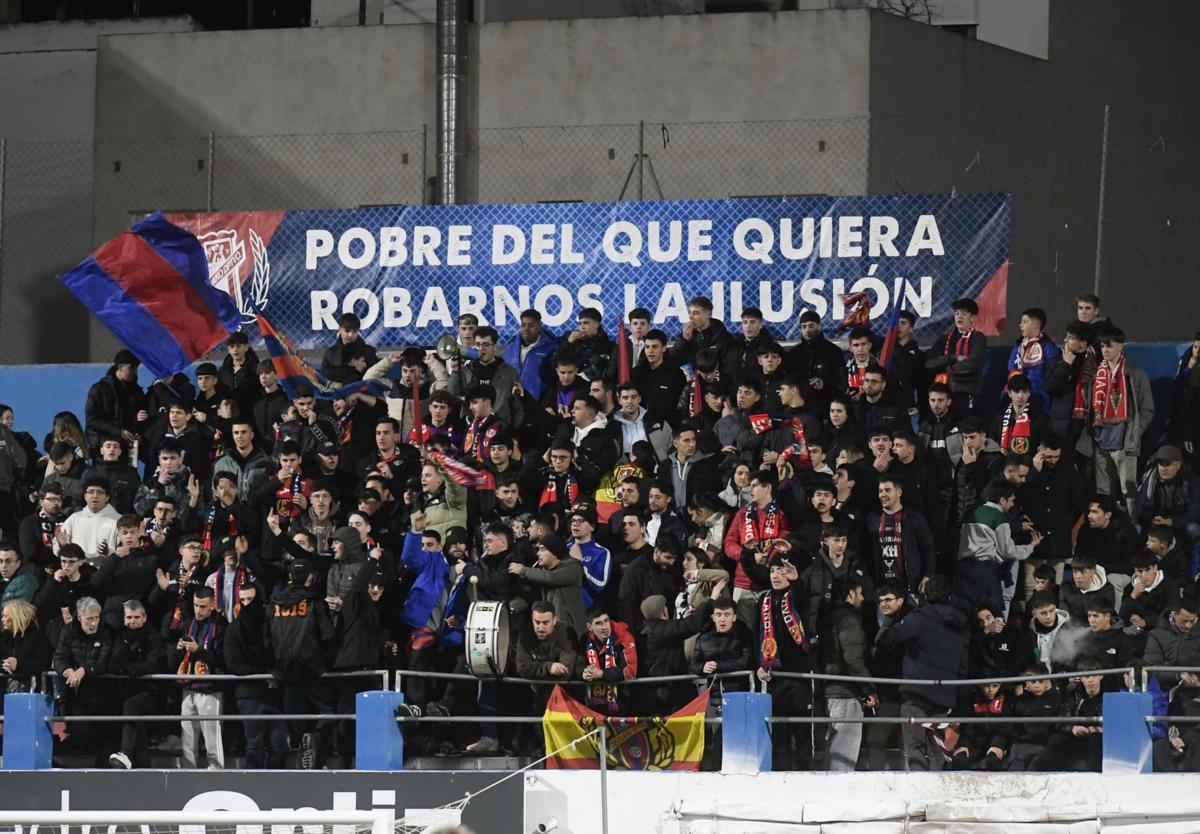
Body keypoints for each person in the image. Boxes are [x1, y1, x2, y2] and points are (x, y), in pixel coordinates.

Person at [882, 575, 968, 771]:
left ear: (926, 594)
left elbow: (890, 639)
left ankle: (919, 792)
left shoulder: (920, 617)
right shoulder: (960, 623)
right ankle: (938, 793)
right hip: (944, 697)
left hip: (916, 694)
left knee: (915, 746)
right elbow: (963, 664)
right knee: (938, 749)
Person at [266, 559, 337, 769]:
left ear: (290, 577)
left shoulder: (274, 603)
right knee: (328, 711)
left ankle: (304, 742)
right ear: (310, 577)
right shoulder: (315, 602)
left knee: (295, 715)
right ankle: (313, 743)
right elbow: (328, 635)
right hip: (313, 668)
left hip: (284, 669)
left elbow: (266, 639)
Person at [1080, 327, 1154, 512]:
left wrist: (1136, 431)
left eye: (1109, 346)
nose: (1105, 350)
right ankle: (1109, 530)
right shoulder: (1096, 374)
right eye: (1103, 346)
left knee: (1128, 489)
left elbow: (1148, 409)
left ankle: (1132, 528)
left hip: (1124, 443)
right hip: (1100, 442)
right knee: (1104, 492)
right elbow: (1090, 407)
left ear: (1120, 346)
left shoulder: (1135, 374)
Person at [755, 555, 815, 771]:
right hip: (775, 678)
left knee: (803, 736)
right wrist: (759, 664)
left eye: (781, 571)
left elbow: (805, 600)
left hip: (799, 676)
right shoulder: (764, 600)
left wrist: (796, 580)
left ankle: (807, 782)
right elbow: (757, 634)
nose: (776, 576)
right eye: (772, 571)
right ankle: (781, 784)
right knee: (778, 738)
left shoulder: (797, 595)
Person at [224, 583, 288, 769]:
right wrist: (264, 674)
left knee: (279, 744)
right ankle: (255, 785)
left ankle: (277, 782)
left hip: (274, 694)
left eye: (250, 600)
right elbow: (233, 665)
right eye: (242, 600)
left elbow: (282, 652)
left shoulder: (272, 625)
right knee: (254, 744)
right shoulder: (234, 630)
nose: (246, 604)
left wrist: (276, 675)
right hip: (249, 694)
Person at [957, 479, 1040, 615]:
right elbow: (1007, 551)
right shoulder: (999, 518)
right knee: (994, 615)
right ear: (1002, 500)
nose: (1013, 504)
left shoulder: (971, 514)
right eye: (1011, 500)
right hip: (987, 573)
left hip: (965, 571)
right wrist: (1030, 547)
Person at [820, 578, 875, 772]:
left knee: (834, 749)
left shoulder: (828, 617)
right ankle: (836, 797)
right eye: (860, 593)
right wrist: (869, 689)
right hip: (846, 694)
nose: (862, 598)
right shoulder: (848, 620)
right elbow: (854, 660)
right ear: (850, 593)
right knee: (843, 755)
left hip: (831, 690)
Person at [52, 596, 114, 765]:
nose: (93, 623)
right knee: (79, 728)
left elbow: (104, 662)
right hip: (77, 693)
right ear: (79, 617)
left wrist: (84, 670)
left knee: (104, 736)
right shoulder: (68, 632)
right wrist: (68, 671)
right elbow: (59, 657)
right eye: (89, 619)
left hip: (103, 693)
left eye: (96, 618)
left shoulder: (106, 632)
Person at [169, 585, 225, 769]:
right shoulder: (188, 624)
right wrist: (179, 650)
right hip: (188, 686)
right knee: (187, 740)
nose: (198, 610)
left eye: (202, 606)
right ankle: (188, 775)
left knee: (212, 740)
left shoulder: (222, 626)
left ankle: (217, 775)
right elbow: (179, 658)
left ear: (212, 605)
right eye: (195, 605)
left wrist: (199, 650)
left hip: (211, 688)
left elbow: (223, 660)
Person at [106, 599, 166, 769]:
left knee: (131, 707)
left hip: (152, 692)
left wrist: (128, 669)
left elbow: (153, 665)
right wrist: (125, 645)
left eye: (136, 617)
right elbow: (112, 664)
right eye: (129, 617)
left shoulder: (153, 636)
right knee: (137, 727)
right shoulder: (122, 636)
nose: (132, 621)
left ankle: (125, 753)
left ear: (144, 617)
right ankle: (142, 767)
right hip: (127, 690)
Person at [1032, 656, 1106, 772]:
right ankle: (1053, 777)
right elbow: (1061, 721)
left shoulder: (1108, 696)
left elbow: (1114, 725)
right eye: (1086, 676)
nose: (1090, 680)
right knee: (1055, 740)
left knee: (1094, 739)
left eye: (1094, 675)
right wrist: (1073, 728)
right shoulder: (1073, 694)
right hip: (1076, 738)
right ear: (1081, 678)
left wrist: (1096, 729)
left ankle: (1096, 778)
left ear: (1101, 676)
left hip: (1098, 738)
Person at [866, 475, 935, 599]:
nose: (882, 494)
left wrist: (927, 576)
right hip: (882, 589)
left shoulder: (914, 519)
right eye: (880, 491)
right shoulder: (873, 520)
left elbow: (929, 550)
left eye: (887, 490)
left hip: (910, 588)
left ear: (899, 492)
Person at [510, 532, 586, 640]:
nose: (538, 554)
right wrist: (510, 609)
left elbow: (551, 578)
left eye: (542, 549)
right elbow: (529, 594)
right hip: (552, 632)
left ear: (555, 552)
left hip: (572, 632)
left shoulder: (573, 568)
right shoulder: (542, 572)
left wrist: (524, 570)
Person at [925, 298, 987, 414]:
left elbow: (972, 364)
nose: (959, 317)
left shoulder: (977, 338)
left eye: (964, 313)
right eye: (957, 313)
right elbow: (929, 363)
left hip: (967, 393)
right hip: (944, 395)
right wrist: (952, 358)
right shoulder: (945, 339)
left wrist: (948, 368)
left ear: (972, 318)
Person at [84, 349, 149, 459]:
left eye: (136, 368)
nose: (135, 372)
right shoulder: (99, 389)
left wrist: (139, 430)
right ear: (120, 368)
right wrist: (119, 431)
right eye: (131, 368)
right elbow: (92, 418)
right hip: (104, 448)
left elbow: (139, 417)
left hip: (128, 447)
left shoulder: (136, 391)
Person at [578, 608, 637, 716]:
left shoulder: (624, 636)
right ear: (590, 627)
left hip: (623, 702)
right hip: (594, 704)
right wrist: (584, 672)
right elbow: (579, 665)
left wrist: (601, 674)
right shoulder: (585, 640)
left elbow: (629, 671)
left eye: (606, 621)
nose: (605, 627)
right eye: (599, 623)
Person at [56, 475, 120, 564]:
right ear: (85, 496)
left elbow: (124, 551)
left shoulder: (117, 520)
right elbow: (57, 546)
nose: (95, 496)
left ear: (107, 497)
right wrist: (62, 546)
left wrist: (108, 551)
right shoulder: (75, 518)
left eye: (100, 492)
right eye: (91, 492)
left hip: (105, 573)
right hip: (78, 573)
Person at [1008, 307, 1061, 414]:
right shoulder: (1018, 345)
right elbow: (1011, 368)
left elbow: (1050, 378)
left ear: (1036, 324)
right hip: (1015, 399)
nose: (1020, 325)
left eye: (1025, 322)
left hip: (1038, 400)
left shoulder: (1049, 348)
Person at [0, 598, 51, 695]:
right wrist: (4, 664)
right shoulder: (2, 638)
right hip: (4, 691)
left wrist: (18, 665)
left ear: (16, 617)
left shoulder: (37, 637)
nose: (2, 619)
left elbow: (44, 664)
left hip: (31, 691)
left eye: (5, 616)